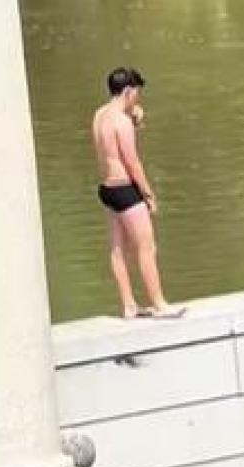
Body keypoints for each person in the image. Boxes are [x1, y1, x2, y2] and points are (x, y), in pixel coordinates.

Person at [91, 67, 184, 319]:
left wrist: (135, 118)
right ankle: (159, 303)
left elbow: (109, 147)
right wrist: (149, 195)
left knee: (118, 249)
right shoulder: (121, 122)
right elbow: (132, 162)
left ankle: (129, 305)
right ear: (129, 91)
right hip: (125, 189)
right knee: (147, 246)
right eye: (137, 93)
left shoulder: (100, 115)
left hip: (107, 189)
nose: (138, 98)